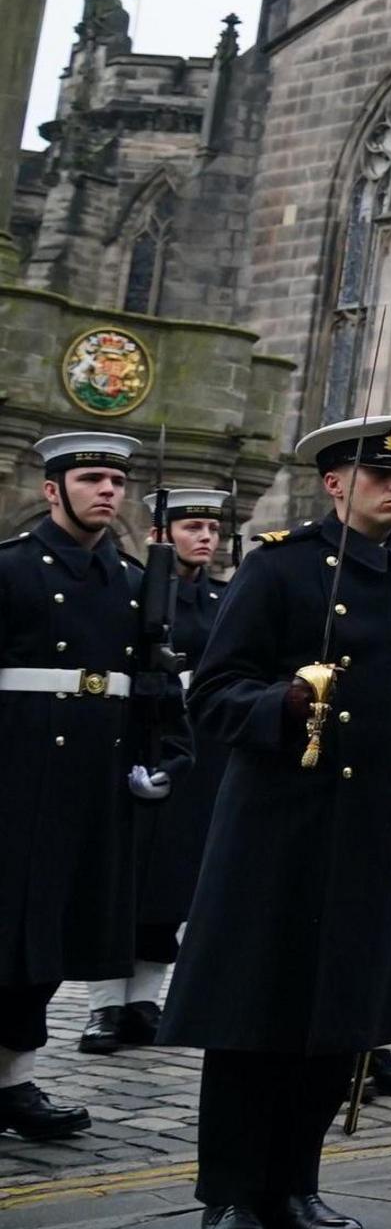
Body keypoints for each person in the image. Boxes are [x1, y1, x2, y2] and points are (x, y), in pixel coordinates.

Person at [163, 417, 391, 1229]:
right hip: (283, 822)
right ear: (334, 482)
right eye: (380, 475)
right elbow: (212, 693)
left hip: (375, 823)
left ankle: (297, 1182)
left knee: (340, 1015)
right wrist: (279, 704)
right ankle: (232, 1194)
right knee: (257, 1010)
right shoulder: (281, 567)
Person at [3, 431, 170, 1144]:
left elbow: (154, 683)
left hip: (96, 778)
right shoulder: (12, 570)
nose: (108, 491)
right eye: (93, 479)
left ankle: (12, 1081)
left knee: (55, 940)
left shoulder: (132, 581)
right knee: (12, 937)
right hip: (18, 773)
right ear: (53, 490)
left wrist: (165, 756)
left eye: (115, 481)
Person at [88, 481, 228, 1056]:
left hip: (202, 751)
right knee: (123, 882)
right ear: (159, 535)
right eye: (193, 527)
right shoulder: (135, 589)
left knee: (173, 884)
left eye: (213, 529)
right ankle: (103, 1008)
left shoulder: (222, 601)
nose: (206, 538)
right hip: (143, 739)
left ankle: (145, 1001)